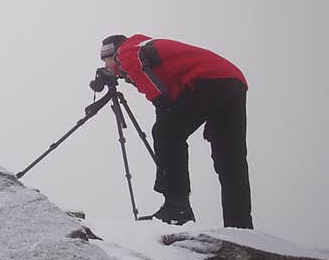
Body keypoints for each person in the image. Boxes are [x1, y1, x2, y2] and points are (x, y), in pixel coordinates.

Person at [98, 34, 253, 228]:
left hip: (207, 81)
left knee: (166, 133)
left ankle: (177, 208)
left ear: (113, 52)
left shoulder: (127, 51)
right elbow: (170, 91)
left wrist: (165, 126)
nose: (106, 66)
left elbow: (160, 99)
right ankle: (240, 226)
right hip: (233, 80)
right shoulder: (147, 49)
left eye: (106, 60)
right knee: (230, 161)